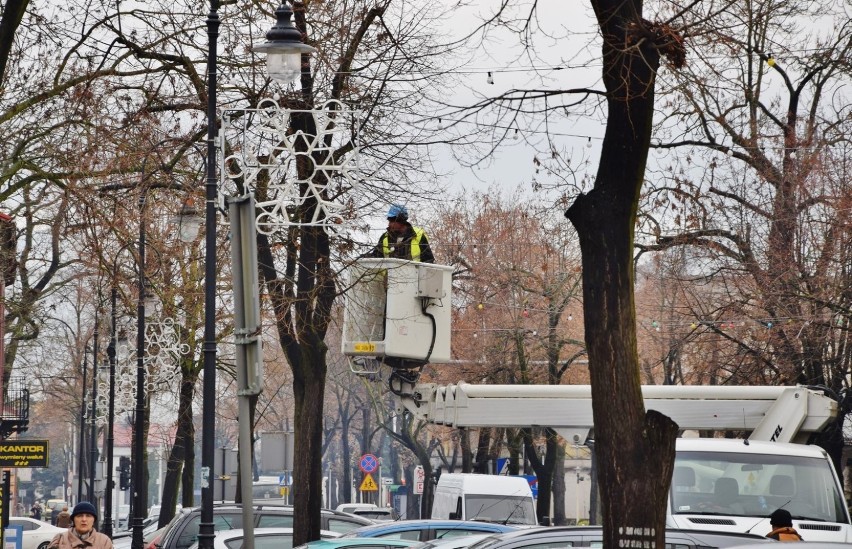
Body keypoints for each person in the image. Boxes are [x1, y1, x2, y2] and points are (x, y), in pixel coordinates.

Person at [370, 204, 435, 263]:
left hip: (413, 275)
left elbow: (428, 261)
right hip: (389, 276)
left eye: (392, 221)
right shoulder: (385, 237)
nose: (389, 224)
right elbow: (376, 257)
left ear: (401, 220)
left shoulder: (418, 235)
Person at [47, 501, 112, 549]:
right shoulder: (59, 539)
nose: (84, 519)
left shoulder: (104, 541)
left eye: (88, 516)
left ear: (93, 520)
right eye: (79, 516)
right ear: (74, 520)